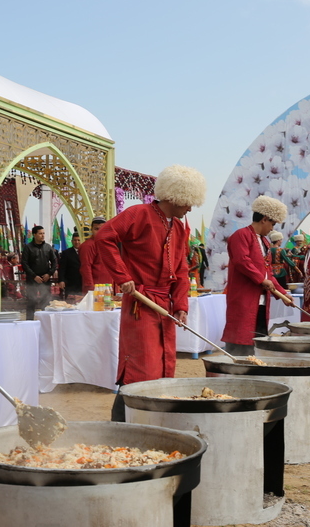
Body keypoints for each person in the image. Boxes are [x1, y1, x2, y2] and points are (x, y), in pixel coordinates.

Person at [98, 165, 207, 421]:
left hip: (164, 306)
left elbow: (181, 269)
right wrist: (123, 277)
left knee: (164, 363)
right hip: (140, 303)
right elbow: (104, 237)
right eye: (188, 202)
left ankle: (153, 422)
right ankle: (123, 423)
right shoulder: (138, 214)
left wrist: (180, 305)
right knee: (141, 365)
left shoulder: (179, 227)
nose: (190, 209)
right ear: (175, 197)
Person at [222, 195, 293, 355]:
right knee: (241, 337)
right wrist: (261, 279)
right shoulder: (241, 235)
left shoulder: (265, 242)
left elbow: (268, 273)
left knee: (258, 340)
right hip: (244, 297)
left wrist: (283, 294)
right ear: (264, 219)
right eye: (272, 224)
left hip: (261, 301)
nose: (272, 228)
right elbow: (242, 261)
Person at [22, 225, 56, 318]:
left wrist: (49, 274)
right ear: (34, 234)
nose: (43, 235)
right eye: (40, 233)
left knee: (46, 301)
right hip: (32, 279)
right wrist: (34, 276)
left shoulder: (48, 247)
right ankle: (29, 322)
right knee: (31, 301)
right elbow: (24, 264)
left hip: (45, 279)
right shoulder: (28, 248)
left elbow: (54, 262)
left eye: (43, 233)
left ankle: (45, 321)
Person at [79, 216, 111, 293]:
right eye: (96, 229)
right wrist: (90, 288)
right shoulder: (88, 246)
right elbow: (86, 267)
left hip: (108, 287)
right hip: (96, 289)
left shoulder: (108, 244)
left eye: (102, 229)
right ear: (91, 230)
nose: (99, 232)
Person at [58, 232, 83, 299]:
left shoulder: (86, 251)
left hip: (83, 282)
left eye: (78, 240)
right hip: (71, 282)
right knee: (70, 301)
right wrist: (61, 280)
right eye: (75, 240)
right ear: (72, 241)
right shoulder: (66, 253)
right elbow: (62, 268)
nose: (77, 242)